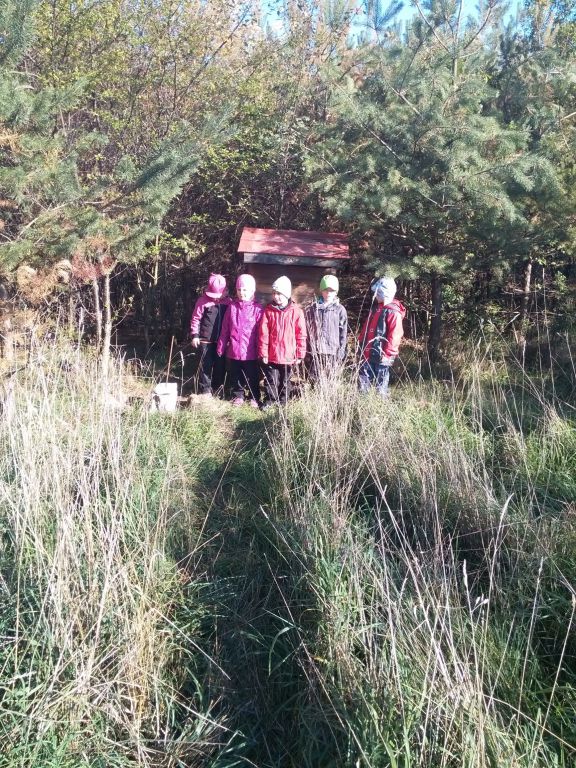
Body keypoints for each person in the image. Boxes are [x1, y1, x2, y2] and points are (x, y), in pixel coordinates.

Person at [259, 276, 307, 408]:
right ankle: (270, 400)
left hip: (288, 355)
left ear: (286, 294)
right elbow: (264, 333)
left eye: (279, 293)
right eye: (274, 293)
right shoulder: (269, 311)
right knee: (271, 380)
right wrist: (264, 353)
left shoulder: (296, 312)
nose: (276, 296)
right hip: (272, 354)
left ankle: (283, 401)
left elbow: (301, 334)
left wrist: (300, 353)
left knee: (285, 381)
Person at [216, 274, 263, 407]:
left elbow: (261, 332)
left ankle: (254, 396)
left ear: (252, 291)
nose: (242, 293)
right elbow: (225, 329)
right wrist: (221, 345)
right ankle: (238, 395)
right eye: (239, 290)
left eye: (245, 290)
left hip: (250, 351)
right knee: (235, 374)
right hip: (235, 349)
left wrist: (260, 349)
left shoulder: (258, 309)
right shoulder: (232, 307)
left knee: (252, 375)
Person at [358, 277, 405, 397]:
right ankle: (362, 402)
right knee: (364, 380)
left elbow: (395, 335)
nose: (376, 295)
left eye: (378, 293)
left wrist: (388, 354)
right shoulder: (375, 309)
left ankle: (381, 403)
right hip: (367, 353)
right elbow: (366, 328)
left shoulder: (393, 312)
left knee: (381, 383)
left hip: (382, 356)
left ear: (385, 294)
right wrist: (361, 344)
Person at [190, 273, 229, 397]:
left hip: (221, 341)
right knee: (205, 366)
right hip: (205, 340)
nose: (216, 298)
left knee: (220, 366)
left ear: (225, 291)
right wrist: (195, 335)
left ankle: (218, 389)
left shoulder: (228, 302)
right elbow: (196, 318)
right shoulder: (202, 301)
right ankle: (205, 390)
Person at [305, 274, 347, 382]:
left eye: (331, 291)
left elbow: (343, 332)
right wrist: (308, 349)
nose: (328, 293)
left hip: (332, 350)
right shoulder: (313, 308)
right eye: (326, 290)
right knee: (314, 378)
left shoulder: (340, 310)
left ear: (336, 292)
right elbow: (308, 330)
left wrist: (341, 351)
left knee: (329, 379)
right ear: (321, 290)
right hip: (316, 350)